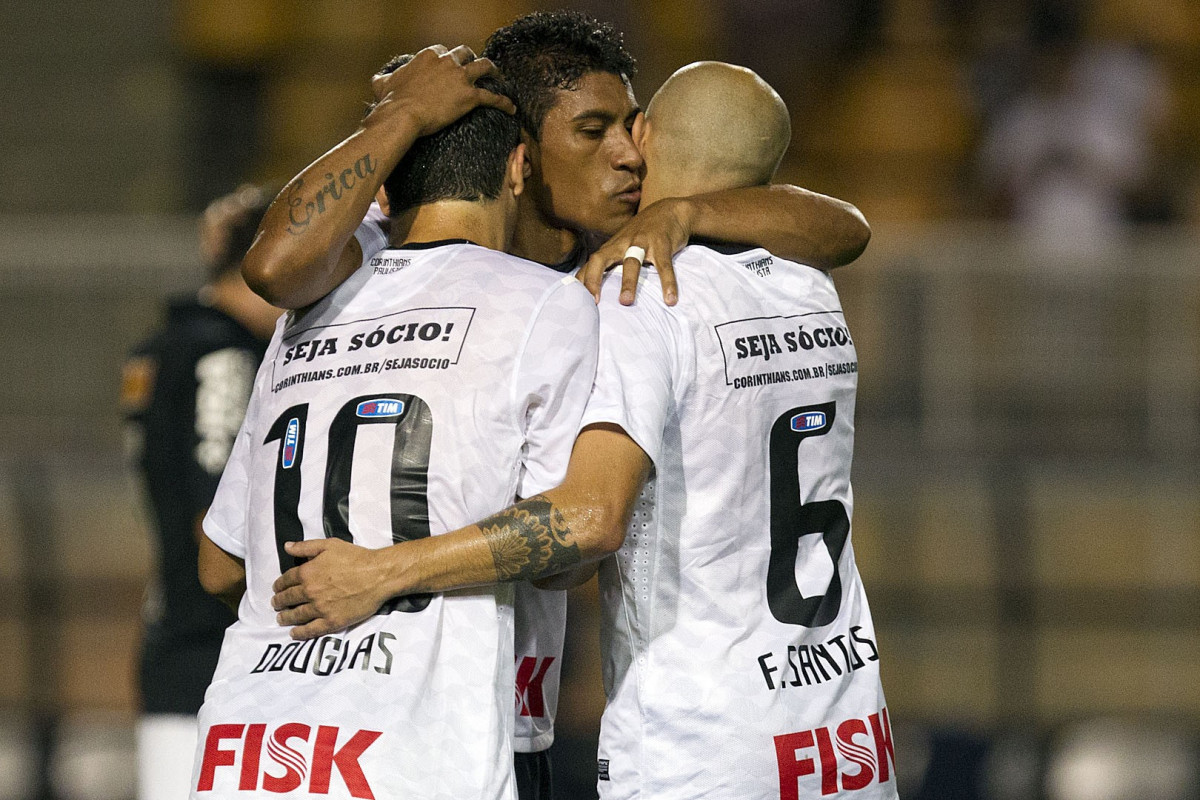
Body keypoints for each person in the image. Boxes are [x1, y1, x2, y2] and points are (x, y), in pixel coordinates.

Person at [242, 11, 870, 799]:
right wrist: (399, 117)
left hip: (510, 720)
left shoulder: (625, 270)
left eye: (632, 128)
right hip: (375, 708)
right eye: (594, 131)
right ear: (521, 159)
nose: (629, 155)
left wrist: (690, 211)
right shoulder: (395, 256)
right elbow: (274, 266)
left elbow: (843, 226)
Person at [192, 59, 598, 800]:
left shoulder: (307, 315)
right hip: (421, 740)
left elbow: (221, 567)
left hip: (257, 744)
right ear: (518, 168)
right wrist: (385, 576)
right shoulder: (548, 302)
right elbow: (566, 550)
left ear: (383, 184)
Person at [120, 184, 281, 800]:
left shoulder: (159, 348)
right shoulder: (222, 355)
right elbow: (214, 517)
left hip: (172, 640)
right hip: (217, 659)